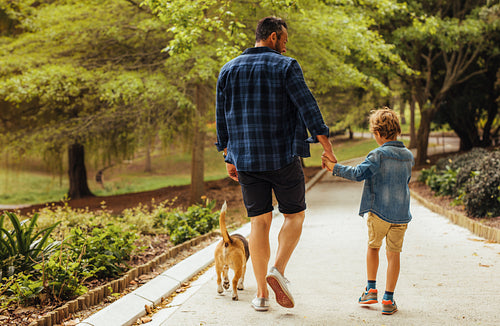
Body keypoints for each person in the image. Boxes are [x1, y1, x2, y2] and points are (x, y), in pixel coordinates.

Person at [215, 16, 337, 312]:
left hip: (245, 159)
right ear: (272, 37)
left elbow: (222, 118)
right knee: (294, 215)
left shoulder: (228, 69)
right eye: (284, 40)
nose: (285, 47)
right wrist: (328, 148)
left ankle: (260, 296)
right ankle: (278, 270)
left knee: (259, 222)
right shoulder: (286, 66)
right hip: (282, 156)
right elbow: (308, 107)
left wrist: (227, 156)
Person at [322, 107, 414, 315]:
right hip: (401, 215)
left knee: (373, 247)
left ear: (379, 133)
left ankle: (371, 289)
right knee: (394, 255)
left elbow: (357, 174)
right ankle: (388, 300)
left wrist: (334, 167)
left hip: (379, 212)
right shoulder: (408, 155)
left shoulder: (378, 154)